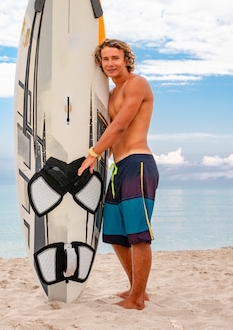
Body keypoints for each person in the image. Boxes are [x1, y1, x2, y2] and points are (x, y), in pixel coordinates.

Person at [78, 38, 159, 310]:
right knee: (115, 233)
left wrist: (93, 153)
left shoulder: (137, 84)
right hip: (118, 168)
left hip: (138, 163)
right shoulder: (113, 93)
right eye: (105, 59)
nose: (110, 63)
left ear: (126, 59)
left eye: (115, 58)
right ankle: (138, 289)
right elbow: (110, 135)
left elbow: (121, 125)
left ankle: (137, 299)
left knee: (138, 235)